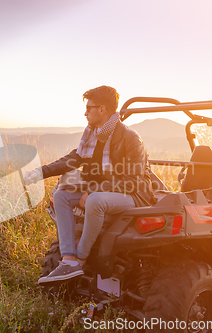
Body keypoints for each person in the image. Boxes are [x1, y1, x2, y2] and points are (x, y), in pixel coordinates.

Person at [24, 85, 155, 284]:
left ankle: (81, 260)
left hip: (133, 195)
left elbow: (133, 182)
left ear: (102, 109)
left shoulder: (130, 138)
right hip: (104, 192)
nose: (85, 113)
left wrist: (94, 190)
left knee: (94, 200)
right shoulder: (93, 136)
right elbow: (73, 158)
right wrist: (40, 172)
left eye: (89, 108)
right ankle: (68, 259)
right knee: (61, 196)